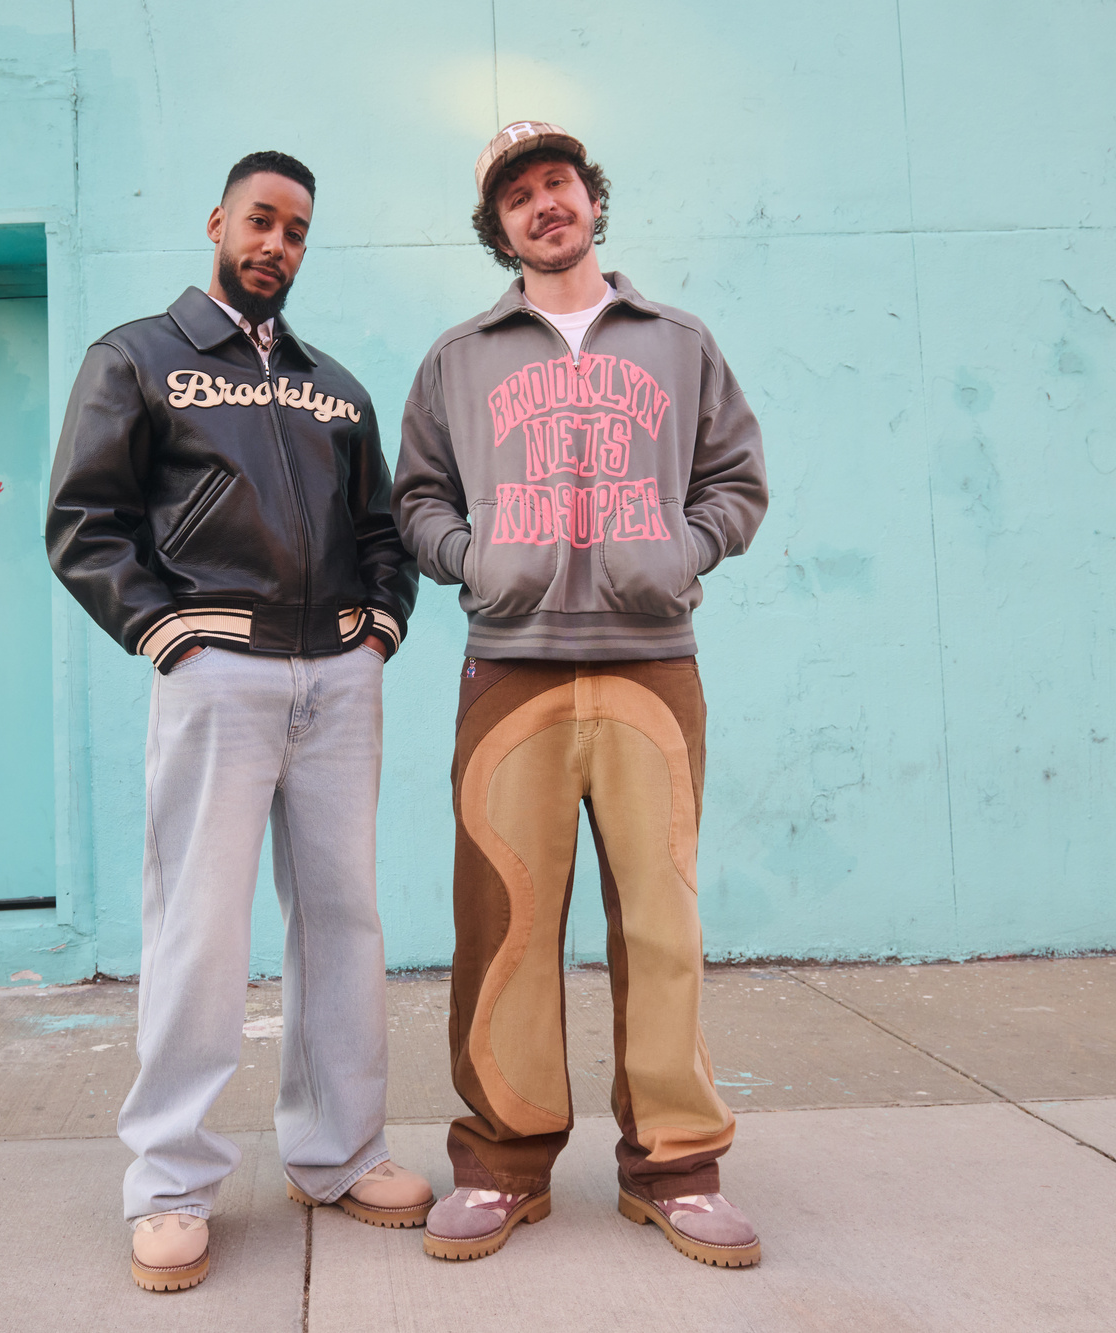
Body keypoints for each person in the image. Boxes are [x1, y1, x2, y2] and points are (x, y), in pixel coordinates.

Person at [47, 150, 429, 1293]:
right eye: (261, 221)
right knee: (198, 931)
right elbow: (84, 521)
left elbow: (382, 530)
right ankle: (168, 1184)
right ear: (217, 220)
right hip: (218, 672)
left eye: (298, 231)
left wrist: (380, 632)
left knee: (343, 922)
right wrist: (170, 636)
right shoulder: (139, 358)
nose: (277, 245)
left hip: (337, 682)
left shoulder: (333, 386)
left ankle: (339, 1149)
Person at [391, 122, 769, 1268]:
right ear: (494, 226)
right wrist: (469, 557)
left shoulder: (678, 340)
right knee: (500, 924)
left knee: (660, 922)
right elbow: (413, 499)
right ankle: (502, 1165)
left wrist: (683, 550)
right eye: (516, 194)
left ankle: (675, 1168)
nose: (541, 205)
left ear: (590, 200)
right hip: (509, 668)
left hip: (653, 663)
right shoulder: (458, 357)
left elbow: (738, 482)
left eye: (556, 183)